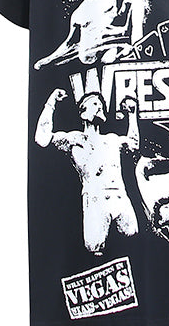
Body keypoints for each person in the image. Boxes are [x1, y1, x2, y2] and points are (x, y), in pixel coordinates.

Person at [35, 89, 140, 255]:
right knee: (95, 250)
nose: (100, 107)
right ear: (83, 113)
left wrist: (132, 114)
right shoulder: (75, 139)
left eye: (101, 104)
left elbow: (134, 144)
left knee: (132, 242)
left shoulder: (112, 139)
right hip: (96, 201)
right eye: (95, 104)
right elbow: (42, 138)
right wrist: (51, 102)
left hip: (121, 198)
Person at [34, 0, 150, 68]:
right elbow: (68, 43)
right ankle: (125, 51)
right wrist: (48, 60)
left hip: (109, 43)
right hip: (89, 53)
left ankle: (136, 45)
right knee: (109, 53)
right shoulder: (79, 13)